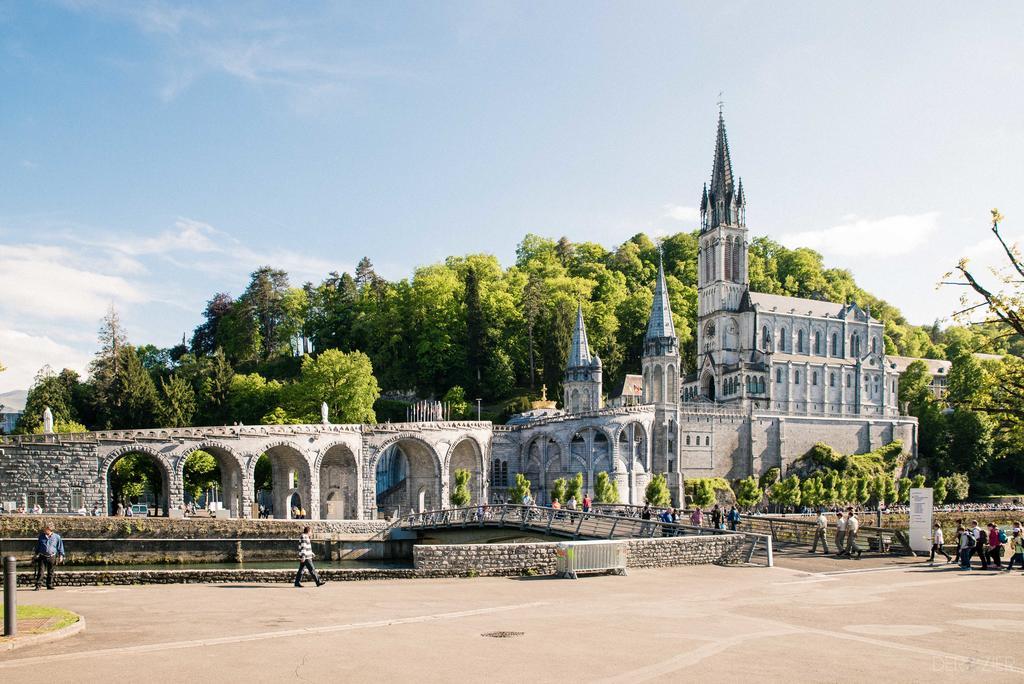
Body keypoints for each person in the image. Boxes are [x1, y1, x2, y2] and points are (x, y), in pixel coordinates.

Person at [33, 525, 65, 590]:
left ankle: (49, 585)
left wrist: (61, 556)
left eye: (45, 529)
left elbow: (60, 547)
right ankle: (38, 585)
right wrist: (36, 554)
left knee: (51, 572)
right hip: (42, 556)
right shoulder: (41, 536)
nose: (44, 530)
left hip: (52, 556)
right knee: (40, 572)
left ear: (49, 529)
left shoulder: (57, 537)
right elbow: (38, 546)